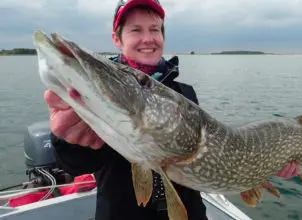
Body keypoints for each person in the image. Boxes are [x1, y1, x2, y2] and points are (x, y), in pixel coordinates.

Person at [44, 0, 208, 219]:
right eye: (136, 30)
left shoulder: (185, 93)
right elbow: (76, 164)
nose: (148, 38)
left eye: (154, 29)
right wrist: (67, 141)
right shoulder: (103, 93)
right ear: (117, 39)